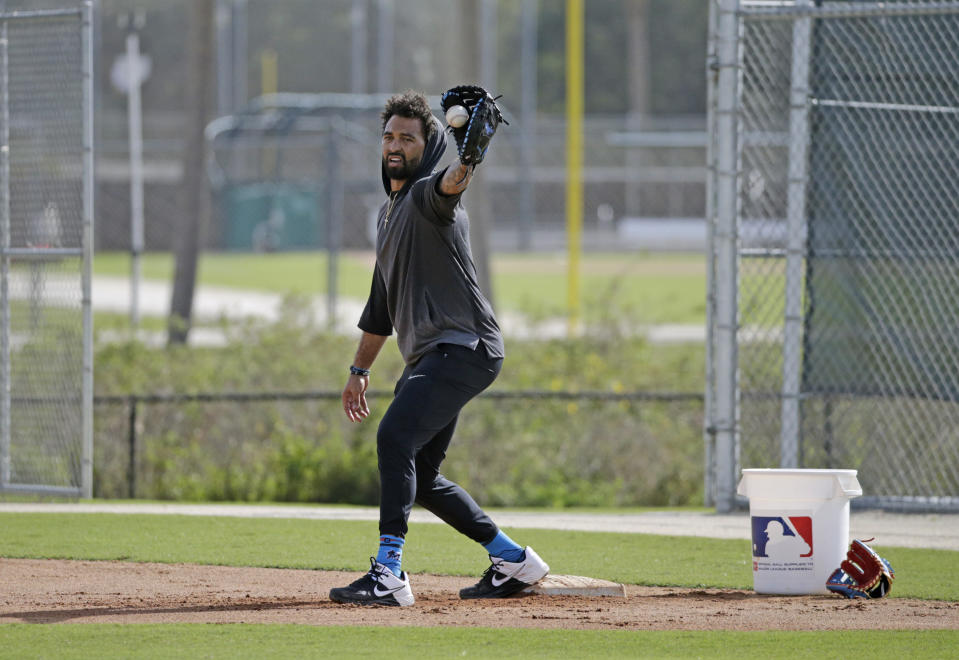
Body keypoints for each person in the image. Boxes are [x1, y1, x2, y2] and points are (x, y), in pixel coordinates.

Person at [329, 90, 549, 607]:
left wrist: (468, 157)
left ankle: (388, 574)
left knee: (393, 439)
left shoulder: (430, 195)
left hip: (464, 345)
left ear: (427, 146)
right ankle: (514, 560)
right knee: (420, 475)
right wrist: (359, 369)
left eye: (408, 136)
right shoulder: (389, 214)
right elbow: (380, 307)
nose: (395, 144)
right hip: (435, 354)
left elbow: (452, 184)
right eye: (389, 136)